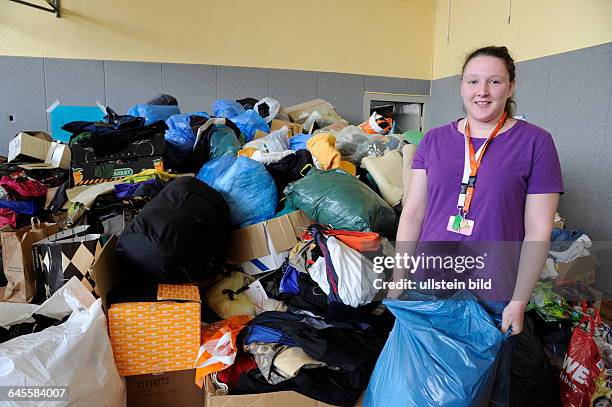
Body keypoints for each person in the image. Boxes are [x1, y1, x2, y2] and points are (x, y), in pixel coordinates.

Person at [393, 46, 564, 406]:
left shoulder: (536, 143)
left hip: (493, 287)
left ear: (511, 87)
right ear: (461, 86)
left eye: (494, 81)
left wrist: (518, 301)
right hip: (431, 278)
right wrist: (398, 279)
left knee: (480, 389)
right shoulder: (434, 140)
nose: (482, 91)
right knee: (421, 382)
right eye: (473, 81)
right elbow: (413, 213)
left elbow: (538, 229)